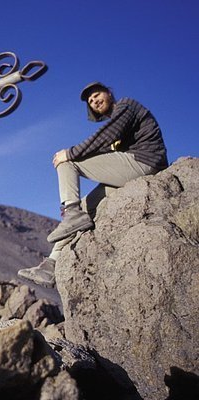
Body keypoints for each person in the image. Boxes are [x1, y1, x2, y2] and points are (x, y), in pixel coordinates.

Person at [18, 82, 168, 288]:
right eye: (90, 101)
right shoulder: (115, 132)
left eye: (96, 95)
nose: (94, 101)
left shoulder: (126, 106)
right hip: (131, 173)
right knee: (84, 209)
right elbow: (102, 146)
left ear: (109, 93)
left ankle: (71, 212)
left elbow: (104, 136)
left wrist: (68, 154)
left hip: (145, 162)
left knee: (68, 163)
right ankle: (51, 265)